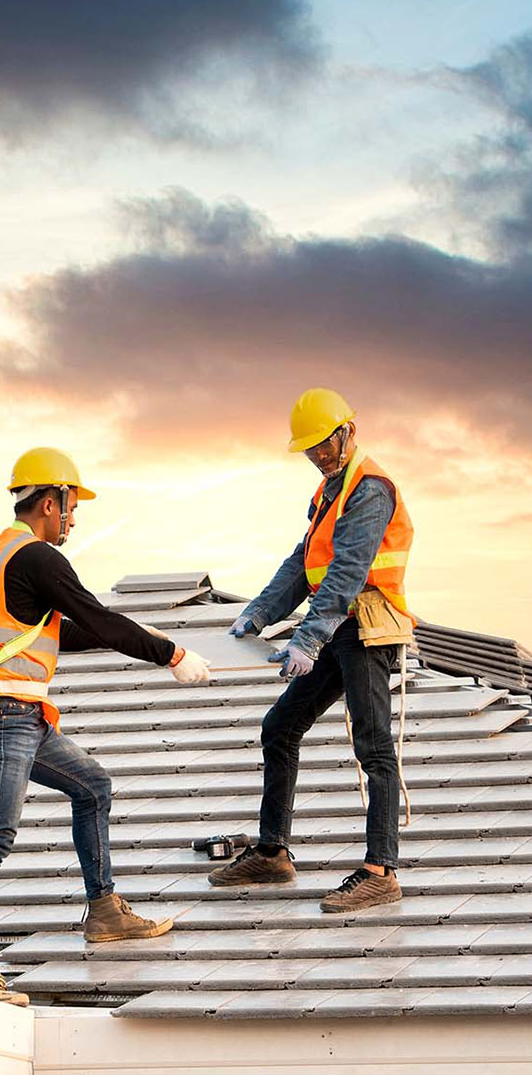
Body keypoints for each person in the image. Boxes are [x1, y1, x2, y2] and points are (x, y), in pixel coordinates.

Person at [0, 446, 212, 1004]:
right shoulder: (39, 558)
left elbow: (62, 632)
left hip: (17, 713)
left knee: (92, 786)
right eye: (71, 508)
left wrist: (119, 632)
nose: (74, 519)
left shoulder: (1, 555)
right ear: (51, 501)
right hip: (6, 718)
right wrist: (170, 653)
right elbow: (93, 616)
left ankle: (103, 910)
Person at [214, 388, 414, 914]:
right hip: (336, 627)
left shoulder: (369, 490)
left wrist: (307, 638)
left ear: (347, 432)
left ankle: (381, 870)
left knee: (373, 747)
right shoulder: (329, 491)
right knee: (280, 727)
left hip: (365, 626)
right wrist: (258, 613)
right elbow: (304, 563)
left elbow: (348, 571)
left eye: (324, 446)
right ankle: (274, 852)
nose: (319, 456)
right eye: (310, 450)